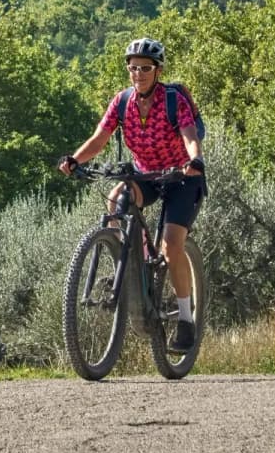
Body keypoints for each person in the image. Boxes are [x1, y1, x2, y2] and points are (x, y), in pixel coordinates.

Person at [58, 37, 205, 348]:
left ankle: (185, 318)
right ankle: (128, 262)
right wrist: (74, 159)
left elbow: (189, 134)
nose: (138, 73)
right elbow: (100, 138)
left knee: (172, 248)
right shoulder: (122, 101)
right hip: (147, 174)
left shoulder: (172, 100)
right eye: (133, 68)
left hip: (181, 176)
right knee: (116, 199)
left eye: (145, 68)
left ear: (157, 70)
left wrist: (195, 159)